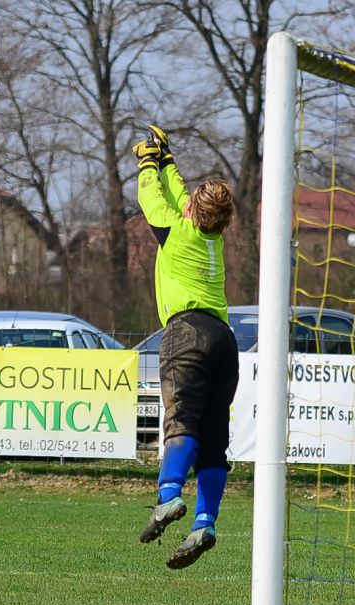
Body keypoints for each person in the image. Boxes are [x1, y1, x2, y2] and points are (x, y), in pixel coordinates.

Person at [133, 124, 239, 569]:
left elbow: (151, 199)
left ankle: (169, 495)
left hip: (187, 333)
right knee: (214, 443)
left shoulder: (176, 234)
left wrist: (147, 162)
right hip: (225, 342)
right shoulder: (212, 239)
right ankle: (205, 522)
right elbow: (180, 199)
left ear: (195, 209)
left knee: (181, 423)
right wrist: (169, 158)